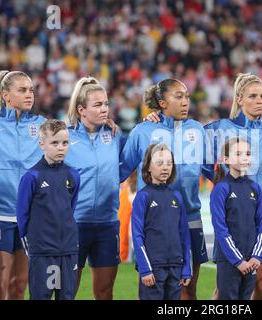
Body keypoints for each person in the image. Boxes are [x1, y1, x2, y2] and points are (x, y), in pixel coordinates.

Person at [121, 79, 212, 300]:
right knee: (153, 287)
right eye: (178, 97)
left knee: (188, 287)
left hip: (190, 218)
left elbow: (213, 172)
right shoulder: (143, 131)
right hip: (155, 222)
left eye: (187, 97)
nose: (185, 102)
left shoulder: (198, 130)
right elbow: (120, 170)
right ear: (162, 102)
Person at [204, 73, 262, 299]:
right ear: (239, 99)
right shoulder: (218, 129)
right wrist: (225, 184)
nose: (260, 100)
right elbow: (192, 150)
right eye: (253, 96)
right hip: (233, 218)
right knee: (226, 286)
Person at [0, 70, 46, 299]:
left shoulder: (43, 125)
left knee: (19, 288)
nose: (30, 94)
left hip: (30, 218)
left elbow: (76, 138)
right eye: (22, 90)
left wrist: (103, 124)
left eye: (31, 90)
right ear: (6, 95)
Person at [64, 76, 126, 300]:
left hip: (107, 224)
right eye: (98, 105)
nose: (104, 109)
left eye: (106, 104)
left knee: (104, 292)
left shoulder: (115, 135)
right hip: (74, 224)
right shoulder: (65, 137)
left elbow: (127, 166)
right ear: (82, 109)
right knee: (67, 292)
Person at [16, 119, 80, 300]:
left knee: (67, 296)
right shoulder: (32, 176)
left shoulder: (73, 175)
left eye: (65, 143)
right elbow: (22, 214)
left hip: (68, 249)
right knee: (41, 296)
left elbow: (70, 208)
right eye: (55, 143)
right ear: (42, 144)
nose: (61, 148)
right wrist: (33, 244)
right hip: (43, 251)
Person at [132, 143, 191, 300]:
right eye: (159, 163)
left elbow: (184, 235)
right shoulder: (143, 197)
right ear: (148, 167)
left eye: (169, 163)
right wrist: (145, 269)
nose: (165, 167)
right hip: (153, 268)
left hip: (176, 267)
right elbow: (137, 235)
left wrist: (186, 268)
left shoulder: (176, 197)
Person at [210, 137, 262, 300]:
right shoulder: (221, 188)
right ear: (226, 159)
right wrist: (238, 260)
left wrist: (256, 256)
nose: (244, 157)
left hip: (251, 260)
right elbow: (221, 229)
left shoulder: (254, 188)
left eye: (247, 154)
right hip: (229, 261)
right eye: (238, 153)